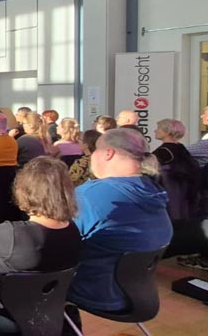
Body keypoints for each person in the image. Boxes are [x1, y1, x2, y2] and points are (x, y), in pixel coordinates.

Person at [0, 157, 82, 333]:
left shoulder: (12, 234)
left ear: (24, 190)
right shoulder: (74, 232)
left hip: (4, 317)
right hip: (49, 315)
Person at [69, 129, 171, 313]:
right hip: (140, 296)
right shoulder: (154, 190)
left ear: (108, 153)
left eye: (95, 150)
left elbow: (56, 242)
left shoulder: (90, 195)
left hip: (92, 292)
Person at [152, 119, 202, 222]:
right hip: (186, 196)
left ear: (167, 132)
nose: (155, 131)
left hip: (169, 194)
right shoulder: (182, 149)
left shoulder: (164, 152)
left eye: (158, 128)